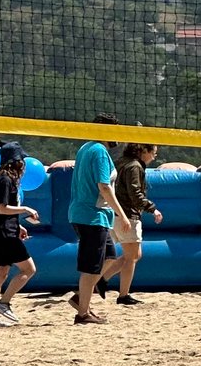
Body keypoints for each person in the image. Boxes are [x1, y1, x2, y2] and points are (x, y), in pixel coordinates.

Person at [69, 132, 128, 324]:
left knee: (109, 257)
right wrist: (122, 214)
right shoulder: (99, 151)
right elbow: (104, 186)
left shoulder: (85, 147)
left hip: (90, 215)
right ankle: (82, 314)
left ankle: (80, 298)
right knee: (91, 268)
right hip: (91, 216)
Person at [0, 145, 39, 327]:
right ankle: (4, 302)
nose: (23, 164)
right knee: (29, 270)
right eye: (21, 160)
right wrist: (25, 209)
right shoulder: (5, 180)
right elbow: (2, 208)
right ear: (16, 161)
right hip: (5, 235)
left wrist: (18, 225)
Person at [114, 142, 162, 305]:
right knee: (132, 256)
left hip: (116, 213)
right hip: (127, 214)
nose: (154, 157)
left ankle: (105, 285)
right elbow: (135, 192)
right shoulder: (134, 166)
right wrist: (152, 209)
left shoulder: (121, 162)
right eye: (153, 152)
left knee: (131, 255)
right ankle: (115, 290)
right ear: (144, 150)